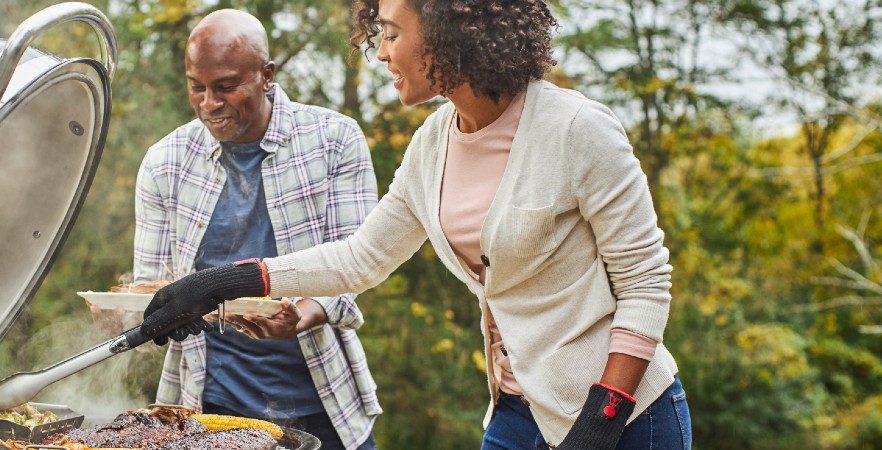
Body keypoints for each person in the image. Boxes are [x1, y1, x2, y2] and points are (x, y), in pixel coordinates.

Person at [140, 0, 694, 449]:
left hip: (623, 418)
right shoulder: (433, 144)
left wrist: (601, 423)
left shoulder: (577, 129)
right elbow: (360, 257)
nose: (379, 53)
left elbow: (646, 285)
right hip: (518, 412)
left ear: (448, 33)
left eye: (391, 34)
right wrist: (218, 283)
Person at [130, 9, 381, 450]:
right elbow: (150, 284)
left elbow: (356, 264)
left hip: (324, 401)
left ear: (266, 75)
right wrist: (128, 307)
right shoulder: (164, 162)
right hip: (207, 407)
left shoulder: (335, 140)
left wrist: (306, 312)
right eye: (197, 87)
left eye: (225, 86)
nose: (209, 102)